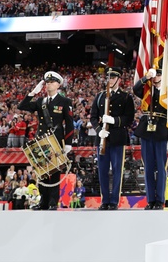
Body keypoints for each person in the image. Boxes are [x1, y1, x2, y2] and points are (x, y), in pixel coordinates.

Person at [17, 71, 75, 210]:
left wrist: (68, 143)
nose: (49, 84)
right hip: (41, 140)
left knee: (54, 172)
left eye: (52, 82)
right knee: (42, 171)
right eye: (47, 82)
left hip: (56, 139)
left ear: (58, 85)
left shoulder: (65, 101)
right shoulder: (40, 101)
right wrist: (32, 93)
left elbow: (69, 123)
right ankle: (43, 201)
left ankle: (52, 202)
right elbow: (22, 106)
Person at [89, 66, 136, 210]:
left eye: (114, 77)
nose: (110, 80)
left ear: (119, 79)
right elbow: (93, 117)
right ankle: (105, 200)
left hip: (117, 138)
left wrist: (114, 120)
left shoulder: (126, 97)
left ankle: (114, 200)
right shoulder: (100, 96)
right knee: (102, 170)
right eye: (109, 77)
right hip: (103, 138)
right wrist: (98, 130)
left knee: (117, 170)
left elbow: (129, 119)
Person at [133, 58, 168, 210]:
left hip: (161, 130)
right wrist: (145, 78)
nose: (156, 78)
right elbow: (135, 89)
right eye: (154, 75)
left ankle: (160, 200)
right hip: (147, 131)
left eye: (158, 74)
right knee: (148, 167)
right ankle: (150, 200)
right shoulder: (147, 89)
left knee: (161, 168)